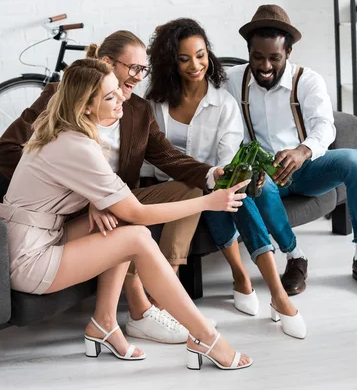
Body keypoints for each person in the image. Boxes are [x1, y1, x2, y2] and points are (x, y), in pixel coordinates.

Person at [0, 58, 252, 371]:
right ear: (86, 107)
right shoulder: (75, 145)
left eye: (117, 89)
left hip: (35, 236)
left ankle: (104, 323)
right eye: (109, 96)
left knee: (119, 219)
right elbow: (139, 211)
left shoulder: (64, 131)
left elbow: (78, 186)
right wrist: (208, 202)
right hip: (28, 259)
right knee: (136, 236)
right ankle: (204, 335)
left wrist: (97, 201)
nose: (122, 96)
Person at [141, 18, 305, 339]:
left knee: (231, 190)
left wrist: (217, 177)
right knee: (210, 188)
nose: (195, 65)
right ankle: (246, 279)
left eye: (201, 55)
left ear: (209, 54)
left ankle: (274, 292)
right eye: (184, 58)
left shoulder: (223, 103)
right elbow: (152, 155)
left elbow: (226, 164)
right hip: (170, 188)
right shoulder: (154, 102)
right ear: (170, 61)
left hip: (214, 184)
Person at [222, 4, 357, 298]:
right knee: (258, 185)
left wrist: (303, 151)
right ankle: (296, 257)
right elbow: (226, 130)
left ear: (288, 53)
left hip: (307, 170)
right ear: (248, 52)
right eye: (257, 57)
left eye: (275, 58)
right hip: (265, 176)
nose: (265, 66)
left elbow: (325, 125)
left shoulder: (307, 80)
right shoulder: (234, 81)